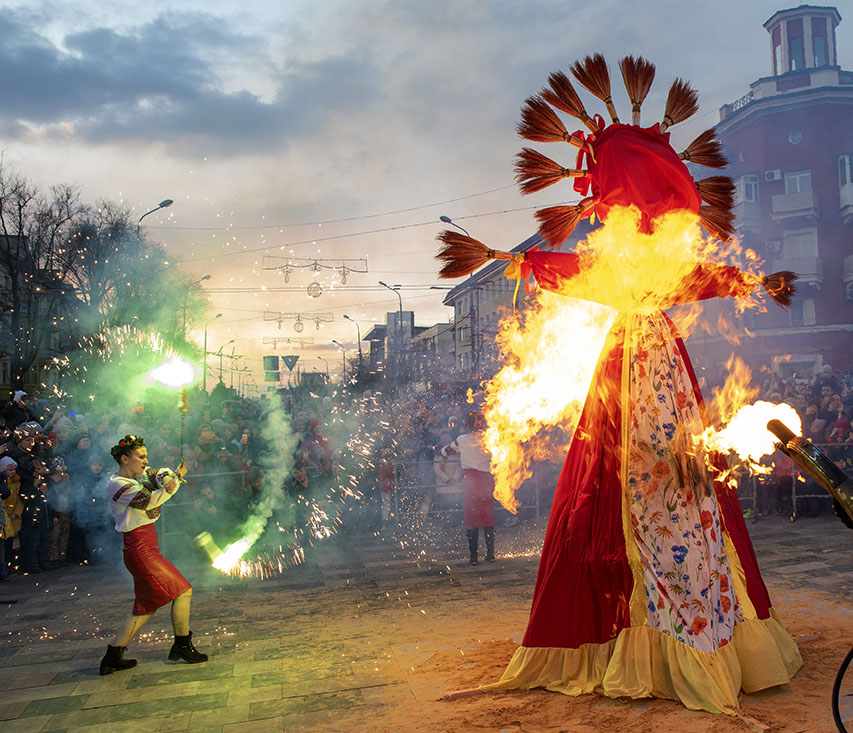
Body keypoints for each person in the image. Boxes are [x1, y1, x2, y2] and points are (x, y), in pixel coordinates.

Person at [100, 434, 208, 676]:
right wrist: (176, 480)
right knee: (183, 590)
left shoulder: (140, 473)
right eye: (141, 456)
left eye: (146, 455)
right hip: (140, 549)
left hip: (145, 545)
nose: (145, 460)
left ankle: (113, 656)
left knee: (146, 606)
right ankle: (182, 645)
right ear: (125, 459)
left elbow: (157, 473)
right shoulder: (117, 485)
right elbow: (147, 501)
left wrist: (169, 477)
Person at [441, 411, 495, 565]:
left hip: (470, 482)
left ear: (467, 425)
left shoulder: (461, 440)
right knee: (488, 517)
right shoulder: (490, 438)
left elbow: (445, 451)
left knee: (471, 519)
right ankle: (490, 554)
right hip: (486, 481)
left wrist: (442, 453)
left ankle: (473, 557)